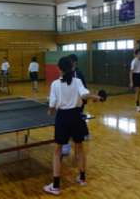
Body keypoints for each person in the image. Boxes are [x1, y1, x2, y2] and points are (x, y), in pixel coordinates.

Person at [44, 56, 102, 196]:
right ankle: (82, 178)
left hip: (63, 118)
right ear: (72, 68)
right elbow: (85, 95)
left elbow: (52, 106)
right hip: (76, 117)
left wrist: (50, 111)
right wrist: (96, 97)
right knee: (79, 148)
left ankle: (56, 186)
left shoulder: (55, 84)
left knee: (57, 151)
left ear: (59, 69)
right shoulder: (77, 81)